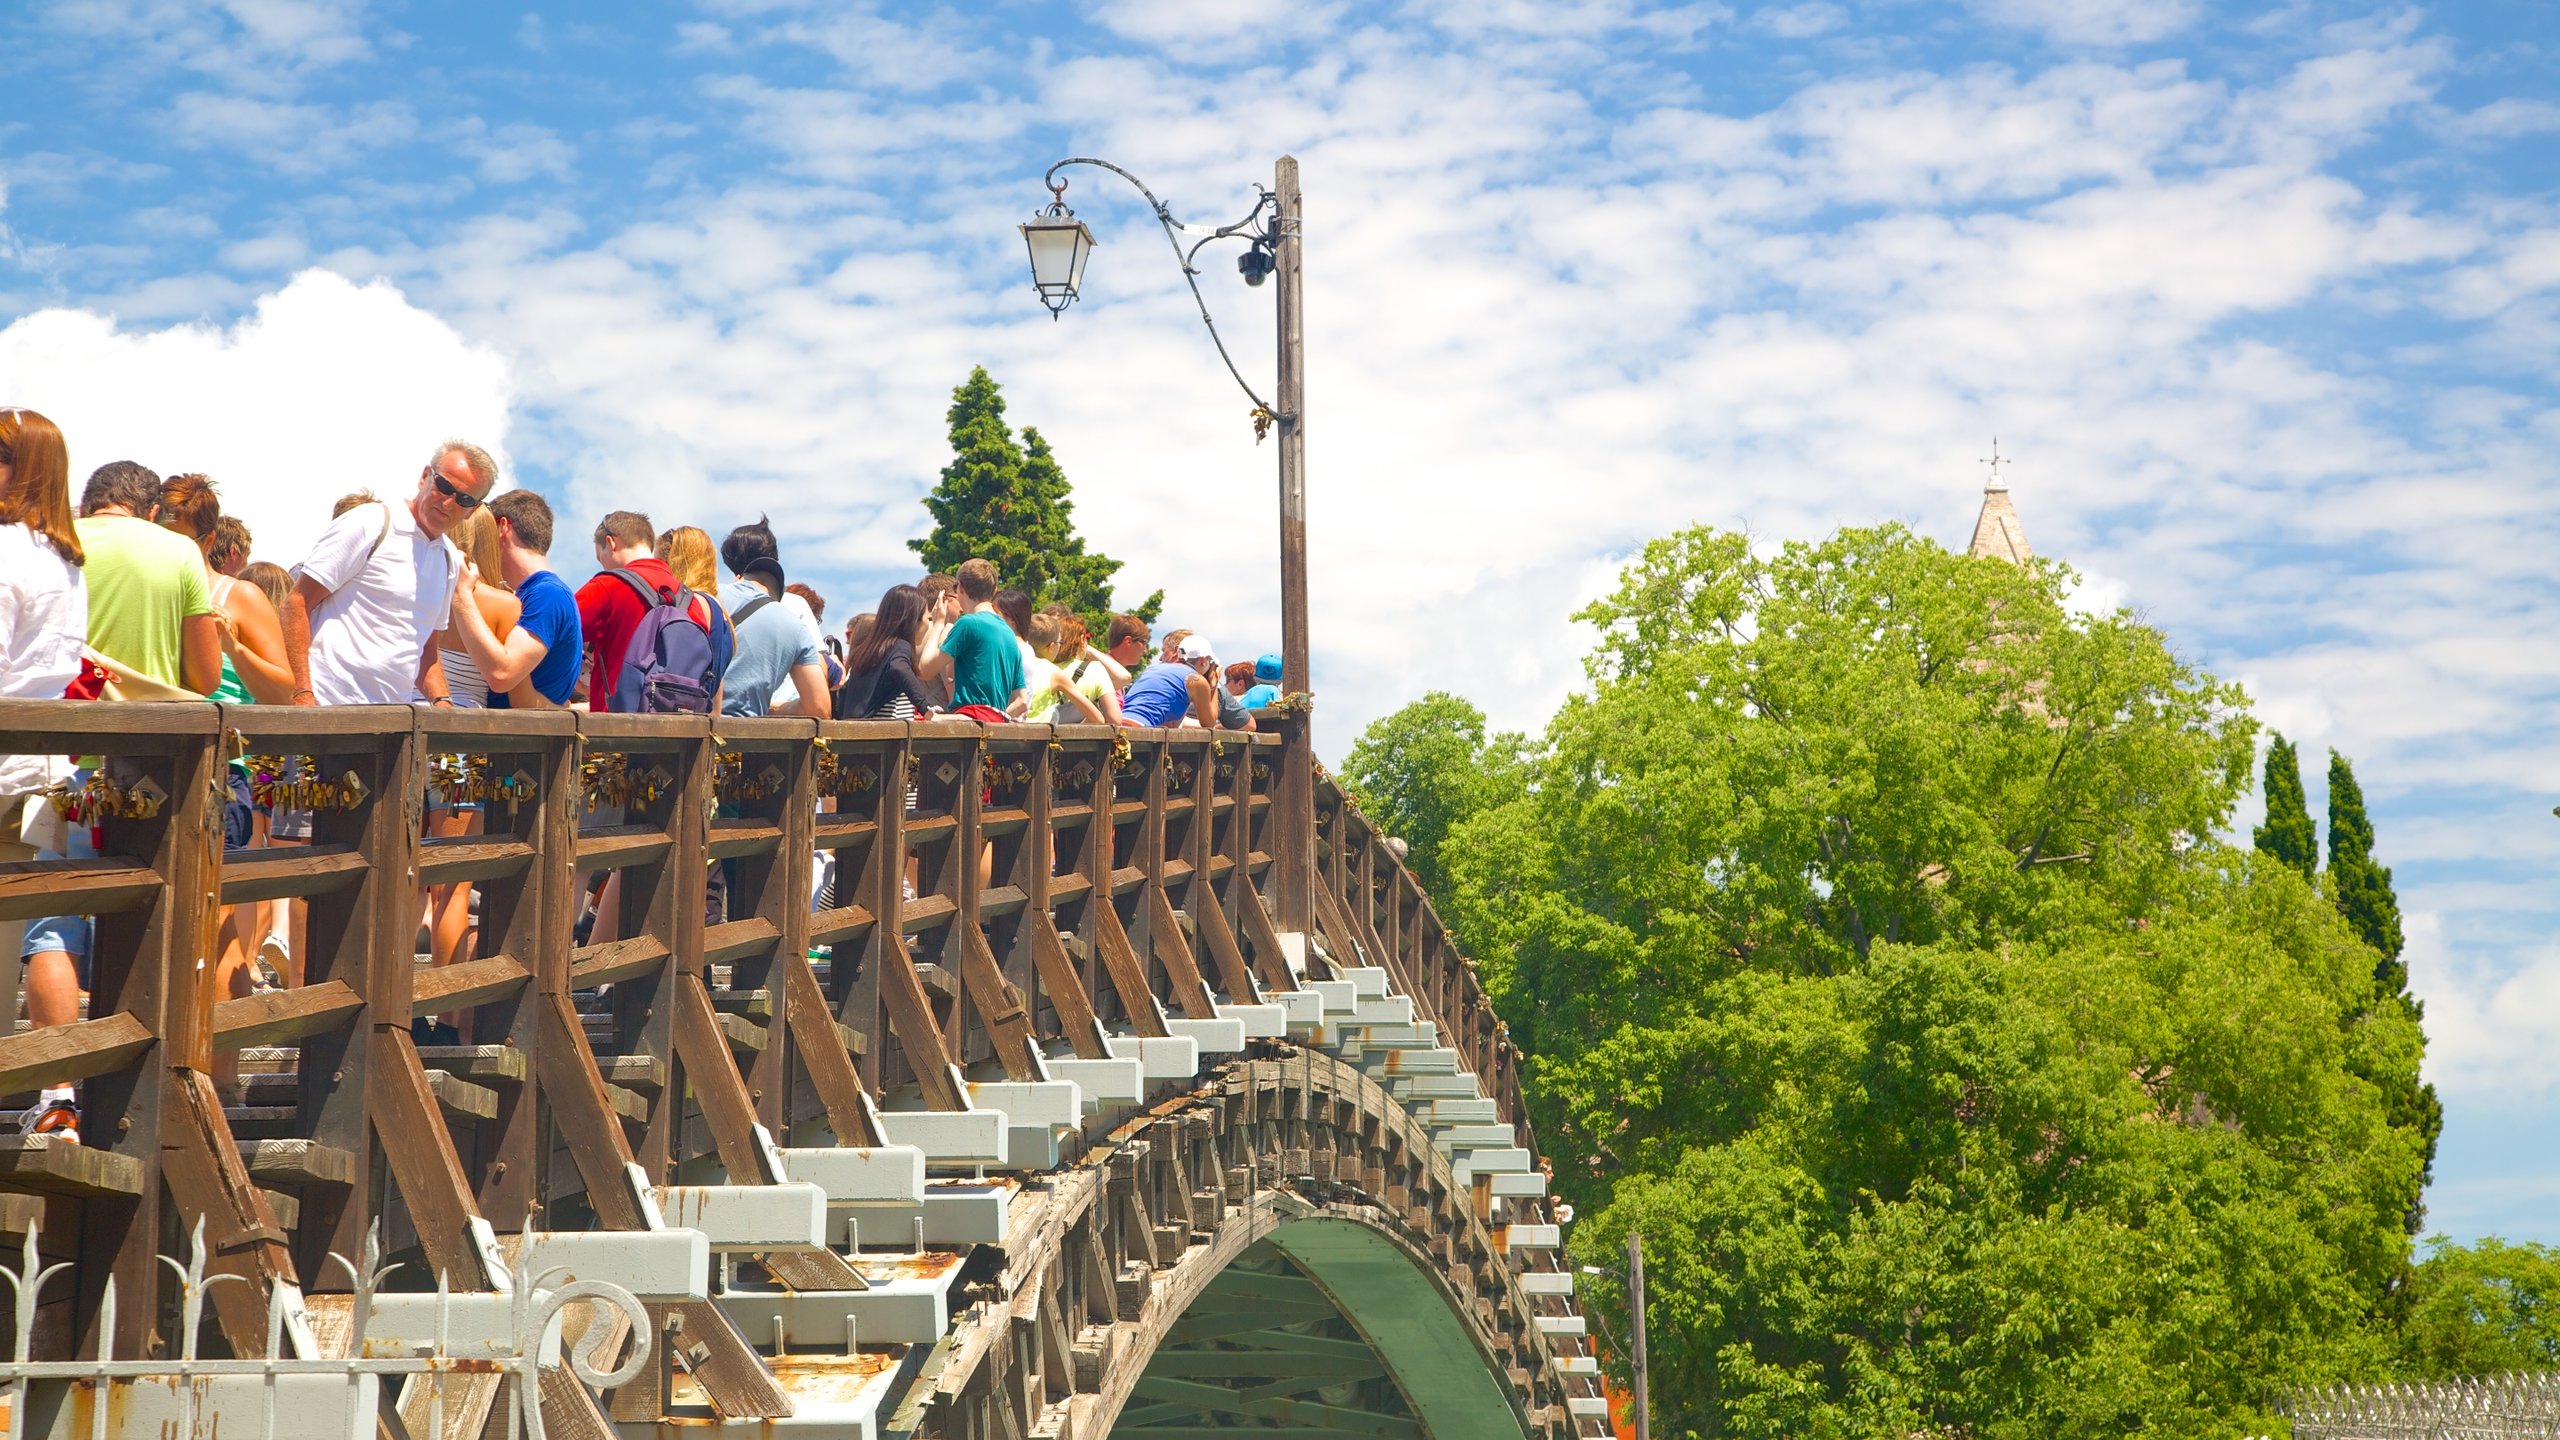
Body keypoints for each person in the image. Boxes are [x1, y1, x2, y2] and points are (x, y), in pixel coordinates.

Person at [0, 410, 85, 1142]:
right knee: (28, 932)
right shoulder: (65, 557)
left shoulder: (3, 553)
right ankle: (54, 1092)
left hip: (5, 765)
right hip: (48, 764)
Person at [283, 441, 494, 707]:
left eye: (464, 499)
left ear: (473, 510)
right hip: (327, 706)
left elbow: (427, 650)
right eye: (444, 486)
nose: (449, 501)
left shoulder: (449, 558)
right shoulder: (370, 522)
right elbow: (296, 602)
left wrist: (442, 704)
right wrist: (302, 692)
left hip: (392, 725)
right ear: (425, 476)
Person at [77, 461, 220, 695]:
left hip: (59, 711)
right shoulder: (182, 550)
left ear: (84, 508)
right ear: (153, 513)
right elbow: (206, 679)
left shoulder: (51, 541)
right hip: (151, 721)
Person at [156, 475, 293, 706]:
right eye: (159, 538)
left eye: (181, 541)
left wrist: (233, 647)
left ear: (208, 541)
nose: (168, 550)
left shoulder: (240, 596)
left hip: (219, 736)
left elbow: (283, 695)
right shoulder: (145, 586)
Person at [579, 513, 724, 714]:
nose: (601, 563)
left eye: (599, 556)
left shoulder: (606, 586)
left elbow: (556, 633)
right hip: (677, 733)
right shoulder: (690, 599)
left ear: (611, 543)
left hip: (613, 732)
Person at [452, 489, 582, 709]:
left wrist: (461, 594)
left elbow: (503, 674)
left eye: (485, 528)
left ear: (503, 527)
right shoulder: (542, 593)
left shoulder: (547, 595)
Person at [716, 516, 827, 719]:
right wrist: (775, 708)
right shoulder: (794, 619)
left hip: (692, 733)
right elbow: (819, 707)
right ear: (774, 558)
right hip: (750, 739)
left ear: (732, 564)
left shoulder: (708, 597)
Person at [921, 558, 1022, 718]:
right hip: (996, 723)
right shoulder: (1009, 632)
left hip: (969, 723)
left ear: (960, 587)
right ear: (994, 590)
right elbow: (1021, 699)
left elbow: (925, 669)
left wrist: (938, 623)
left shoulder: (967, 623)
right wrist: (993, 716)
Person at [836, 584, 938, 721]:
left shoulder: (868, 650)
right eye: (928, 619)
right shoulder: (901, 646)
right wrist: (926, 709)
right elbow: (899, 667)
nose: (928, 625)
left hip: (858, 730)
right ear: (914, 621)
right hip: (885, 736)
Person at [1119, 633, 1222, 729]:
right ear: (1203, 661)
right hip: (1141, 730)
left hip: (1120, 724)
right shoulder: (1197, 680)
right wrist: (1214, 685)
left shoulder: (1153, 669)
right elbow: (1209, 724)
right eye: (1209, 661)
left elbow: (1172, 724)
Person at [1020, 613, 1108, 724]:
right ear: (1051, 646)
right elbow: (1098, 719)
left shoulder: (1013, 662)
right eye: (1060, 642)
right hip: (1038, 739)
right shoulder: (1053, 672)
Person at [1057, 616, 1124, 725]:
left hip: (1039, 738)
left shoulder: (1043, 666)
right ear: (1082, 639)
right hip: (1079, 740)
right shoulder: (1095, 669)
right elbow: (1114, 719)